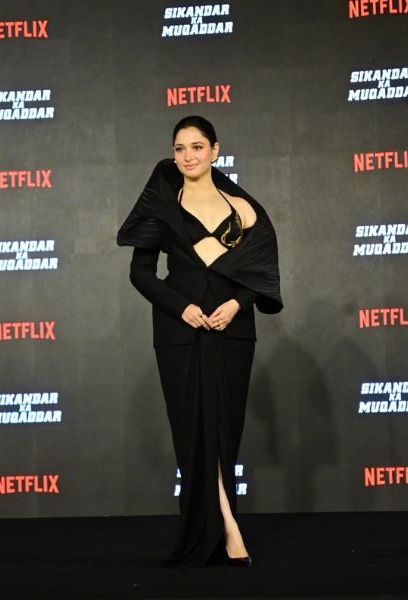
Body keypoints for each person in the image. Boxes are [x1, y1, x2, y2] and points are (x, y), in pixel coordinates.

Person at [117, 115, 283, 568]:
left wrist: (237, 304)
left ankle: (220, 524)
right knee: (193, 432)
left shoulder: (242, 208)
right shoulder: (163, 206)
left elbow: (261, 273)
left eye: (196, 146)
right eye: (179, 148)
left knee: (224, 429)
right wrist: (181, 308)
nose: (187, 155)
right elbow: (141, 273)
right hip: (180, 334)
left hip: (232, 332)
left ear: (214, 150)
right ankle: (228, 528)